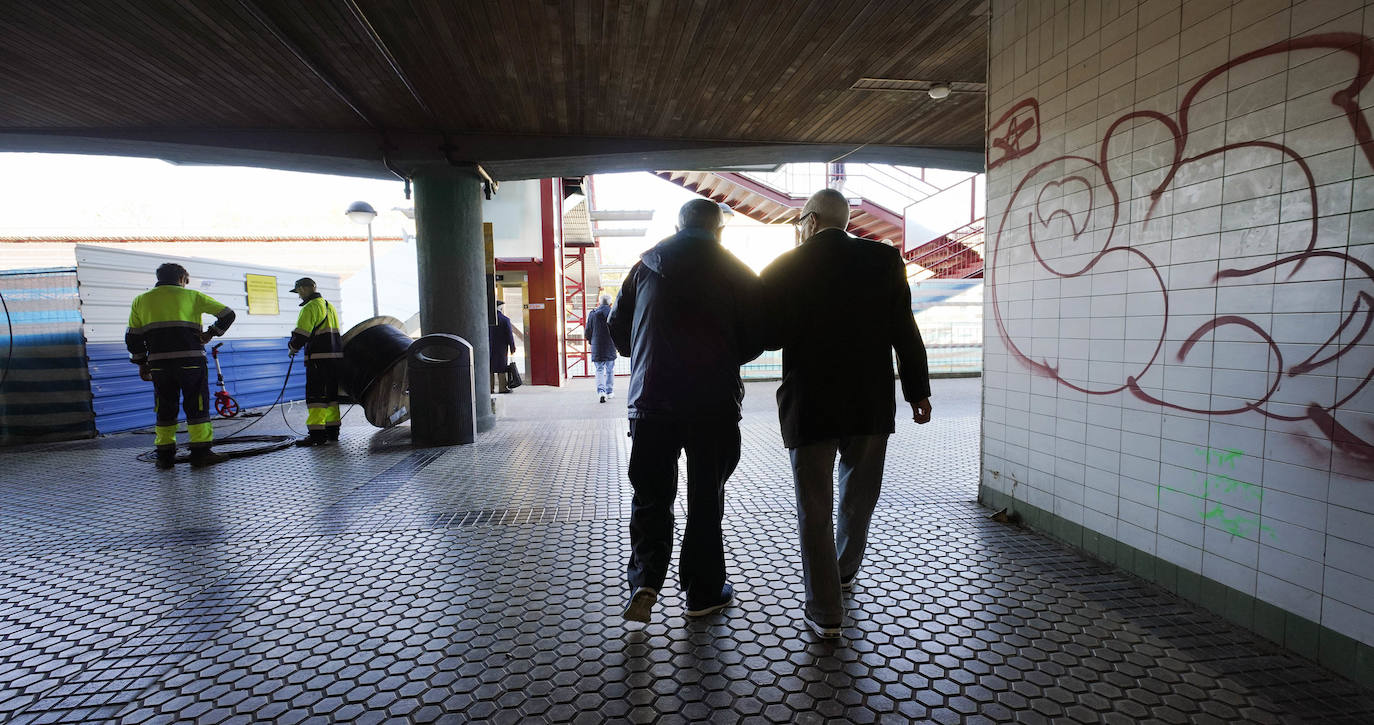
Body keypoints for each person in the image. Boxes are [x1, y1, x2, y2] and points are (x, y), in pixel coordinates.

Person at [759, 189, 932, 638]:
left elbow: (769, 335)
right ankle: (845, 570)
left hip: (811, 405)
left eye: (799, 221)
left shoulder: (788, 265)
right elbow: (904, 331)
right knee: (858, 498)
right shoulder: (884, 261)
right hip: (869, 404)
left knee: (813, 509)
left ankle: (826, 611)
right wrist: (918, 391)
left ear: (811, 221)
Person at [609, 198, 763, 624]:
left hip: (650, 399)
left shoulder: (644, 267)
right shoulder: (736, 270)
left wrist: (640, 354)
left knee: (651, 495)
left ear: (678, 227)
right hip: (712, 405)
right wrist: (728, 356)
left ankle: (644, 579)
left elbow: (618, 326)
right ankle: (703, 592)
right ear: (719, 230)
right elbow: (759, 331)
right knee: (706, 499)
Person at [125, 263, 237, 469]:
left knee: (165, 406)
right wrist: (211, 333)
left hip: (159, 365)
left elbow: (133, 337)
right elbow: (228, 314)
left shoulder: (141, 300)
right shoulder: (193, 296)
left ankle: (164, 455)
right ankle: (201, 453)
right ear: (182, 279)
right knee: (197, 405)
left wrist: (142, 363)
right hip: (191, 362)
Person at [287, 278, 343, 446]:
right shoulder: (328, 305)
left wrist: (292, 347)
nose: (298, 296)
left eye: (298, 292)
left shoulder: (310, 307)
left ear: (304, 289)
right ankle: (332, 432)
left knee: (316, 396)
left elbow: (302, 334)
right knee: (331, 396)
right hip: (334, 359)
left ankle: (316, 434)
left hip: (318, 359)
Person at [586, 292, 617, 403]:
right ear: (610, 304)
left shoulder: (593, 314)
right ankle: (609, 392)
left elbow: (588, 331)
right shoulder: (613, 313)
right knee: (610, 370)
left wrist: (590, 342)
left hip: (597, 346)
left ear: (599, 303)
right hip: (610, 345)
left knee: (599, 370)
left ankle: (601, 392)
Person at [490, 301, 517, 393]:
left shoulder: (487, 320)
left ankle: (490, 388)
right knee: (501, 368)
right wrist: (512, 348)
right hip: (501, 349)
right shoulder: (505, 320)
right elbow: (509, 335)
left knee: (490, 368)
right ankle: (502, 388)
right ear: (500, 308)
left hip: (488, 348)